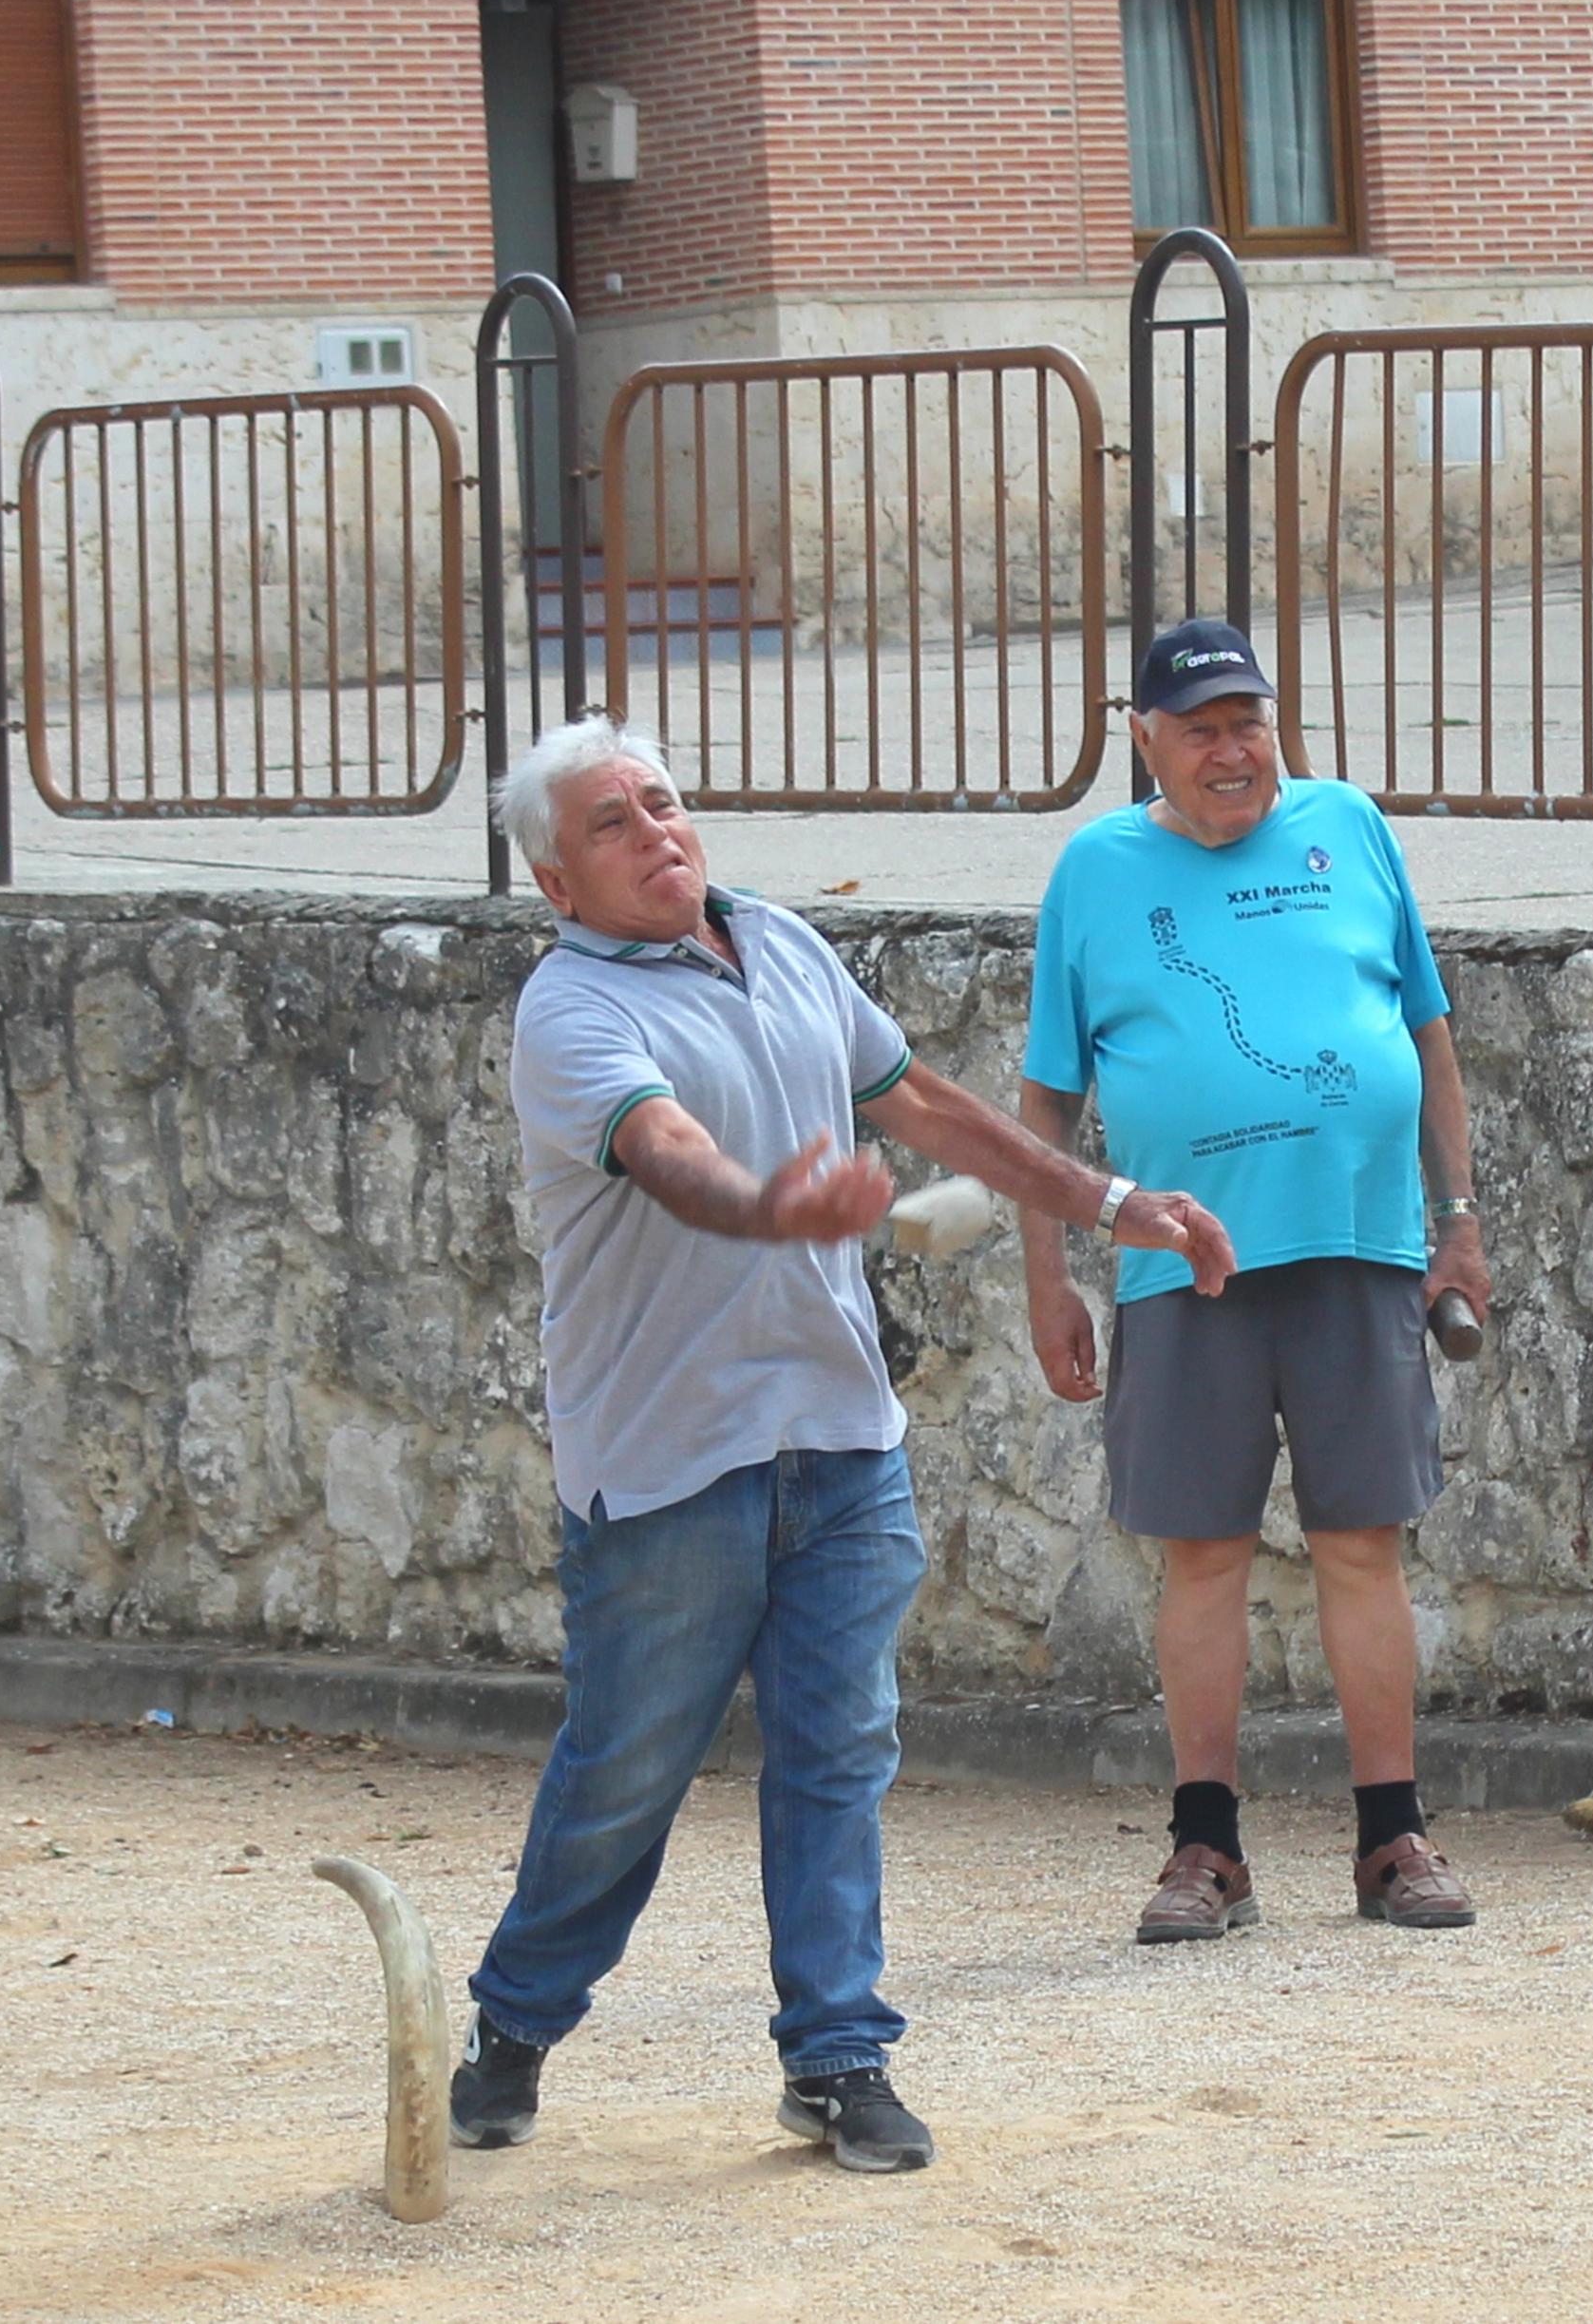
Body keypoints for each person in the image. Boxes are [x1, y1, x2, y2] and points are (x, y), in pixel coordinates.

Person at [460, 716, 1231, 2174]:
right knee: (624, 1768)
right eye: (610, 825)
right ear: (556, 886)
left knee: (837, 1752)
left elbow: (925, 1106)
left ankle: (835, 2056)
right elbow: (667, 1157)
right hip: (668, 1457)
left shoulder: (780, 943)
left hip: (835, 1435)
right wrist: (773, 1204)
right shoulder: (566, 1011)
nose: (653, 832)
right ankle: (515, 2023)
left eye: (661, 802)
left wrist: (1105, 1201)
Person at [1020, 619, 1488, 1943]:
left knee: (1360, 1545)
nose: (1231, 751)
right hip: (1182, 1263)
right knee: (1201, 1555)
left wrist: (1454, 1219)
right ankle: (1204, 1851)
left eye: (1246, 720)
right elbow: (1044, 1101)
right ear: (1143, 742)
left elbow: (1422, 1030)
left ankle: (1389, 1836)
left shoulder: (1345, 824)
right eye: (1198, 729)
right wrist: (1045, 1273)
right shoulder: (1094, 871)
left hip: (1355, 1241)